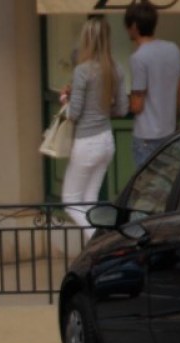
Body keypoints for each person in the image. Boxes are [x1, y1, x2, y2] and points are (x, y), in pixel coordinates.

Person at [60, 16, 127, 240]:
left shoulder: (82, 71)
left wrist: (65, 100)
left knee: (70, 201)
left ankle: (100, 241)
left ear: (86, 39)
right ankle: (98, 247)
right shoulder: (116, 69)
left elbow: (75, 113)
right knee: (90, 200)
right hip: (106, 141)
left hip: (86, 142)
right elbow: (122, 109)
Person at [124, 1, 180, 167]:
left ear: (134, 26)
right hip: (171, 133)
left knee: (147, 190)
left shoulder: (138, 58)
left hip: (146, 137)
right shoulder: (173, 49)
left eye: (127, 26)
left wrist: (120, 102)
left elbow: (137, 105)